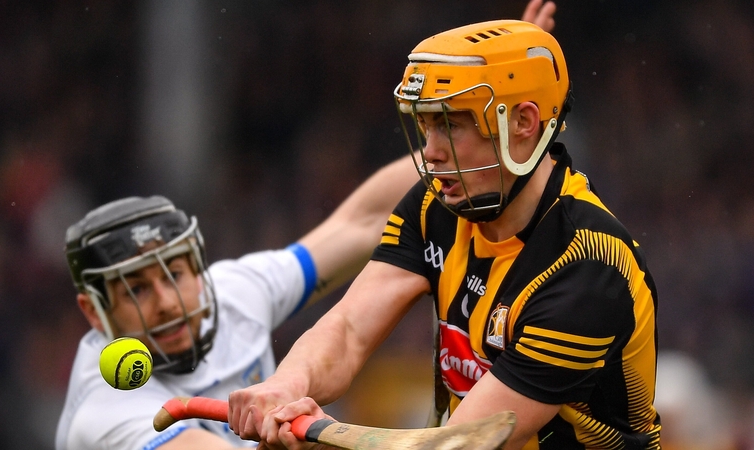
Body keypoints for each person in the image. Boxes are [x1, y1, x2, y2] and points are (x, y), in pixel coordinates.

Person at [54, 2, 558, 449]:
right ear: (94, 313)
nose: (166, 300)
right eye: (136, 290)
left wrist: (493, 125)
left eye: (175, 274)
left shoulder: (233, 295)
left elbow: (359, 222)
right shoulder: (108, 408)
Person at [228, 13, 661, 450]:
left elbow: (463, 444)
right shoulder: (437, 205)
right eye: (425, 125)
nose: (431, 153)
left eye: (450, 125)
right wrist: (286, 387)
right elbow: (349, 329)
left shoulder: (587, 266)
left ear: (524, 123)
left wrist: (318, 437)